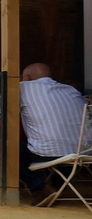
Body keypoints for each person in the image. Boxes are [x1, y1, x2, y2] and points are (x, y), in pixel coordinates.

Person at [19, 62, 92, 200]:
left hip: (47, 152)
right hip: (83, 151)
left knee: (5, 151)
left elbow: (6, 113)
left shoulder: (22, 88)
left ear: (27, 77)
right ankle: (57, 186)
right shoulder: (71, 90)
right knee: (65, 147)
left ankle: (39, 187)